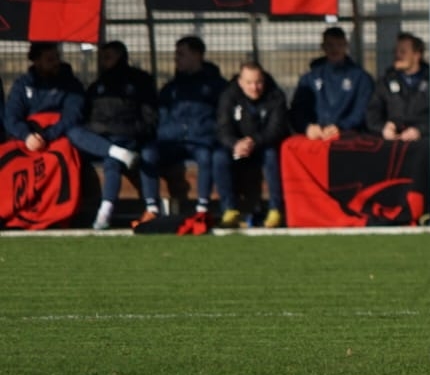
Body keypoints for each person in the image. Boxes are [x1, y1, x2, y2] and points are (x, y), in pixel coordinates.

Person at [68, 41, 159, 230]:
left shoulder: (138, 81)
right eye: (102, 57)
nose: (102, 61)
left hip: (128, 138)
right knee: (73, 132)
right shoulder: (97, 86)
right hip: (101, 138)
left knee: (112, 161)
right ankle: (115, 153)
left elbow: (149, 116)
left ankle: (106, 210)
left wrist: (133, 132)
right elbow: (87, 115)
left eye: (107, 57)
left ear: (120, 56)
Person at [149, 36, 229, 226]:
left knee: (205, 156)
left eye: (181, 54)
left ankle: (202, 207)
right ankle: (151, 207)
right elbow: (161, 116)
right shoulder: (171, 88)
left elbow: (222, 117)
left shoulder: (216, 86)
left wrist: (205, 132)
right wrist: (167, 133)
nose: (176, 59)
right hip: (172, 141)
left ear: (197, 55)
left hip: (201, 140)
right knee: (148, 154)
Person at [216, 61, 290, 228]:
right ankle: (229, 210)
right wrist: (235, 144)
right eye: (249, 83)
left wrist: (254, 141)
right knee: (219, 157)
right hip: (238, 148)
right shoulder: (229, 96)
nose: (254, 88)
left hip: (263, 146)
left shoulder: (275, 96)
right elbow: (223, 128)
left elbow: (276, 129)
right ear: (241, 82)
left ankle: (276, 209)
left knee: (271, 155)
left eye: (258, 82)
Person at [291, 26, 375, 139]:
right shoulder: (309, 78)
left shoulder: (361, 78)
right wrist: (307, 127)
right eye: (330, 45)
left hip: (348, 138)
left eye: (339, 45)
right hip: (316, 137)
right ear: (323, 47)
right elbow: (298, 110)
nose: (335, 49)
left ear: (346, 46)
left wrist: (342, 127)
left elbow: (363, 110)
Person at [366, 32, 430, 140]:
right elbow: (372, 113)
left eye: (403, 52)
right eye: (395, 51)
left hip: (424, 144)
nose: (397, 55)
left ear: (417, 55)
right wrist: (384, 128)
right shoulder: (385, 82)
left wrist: (420, 130)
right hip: (392, 143)